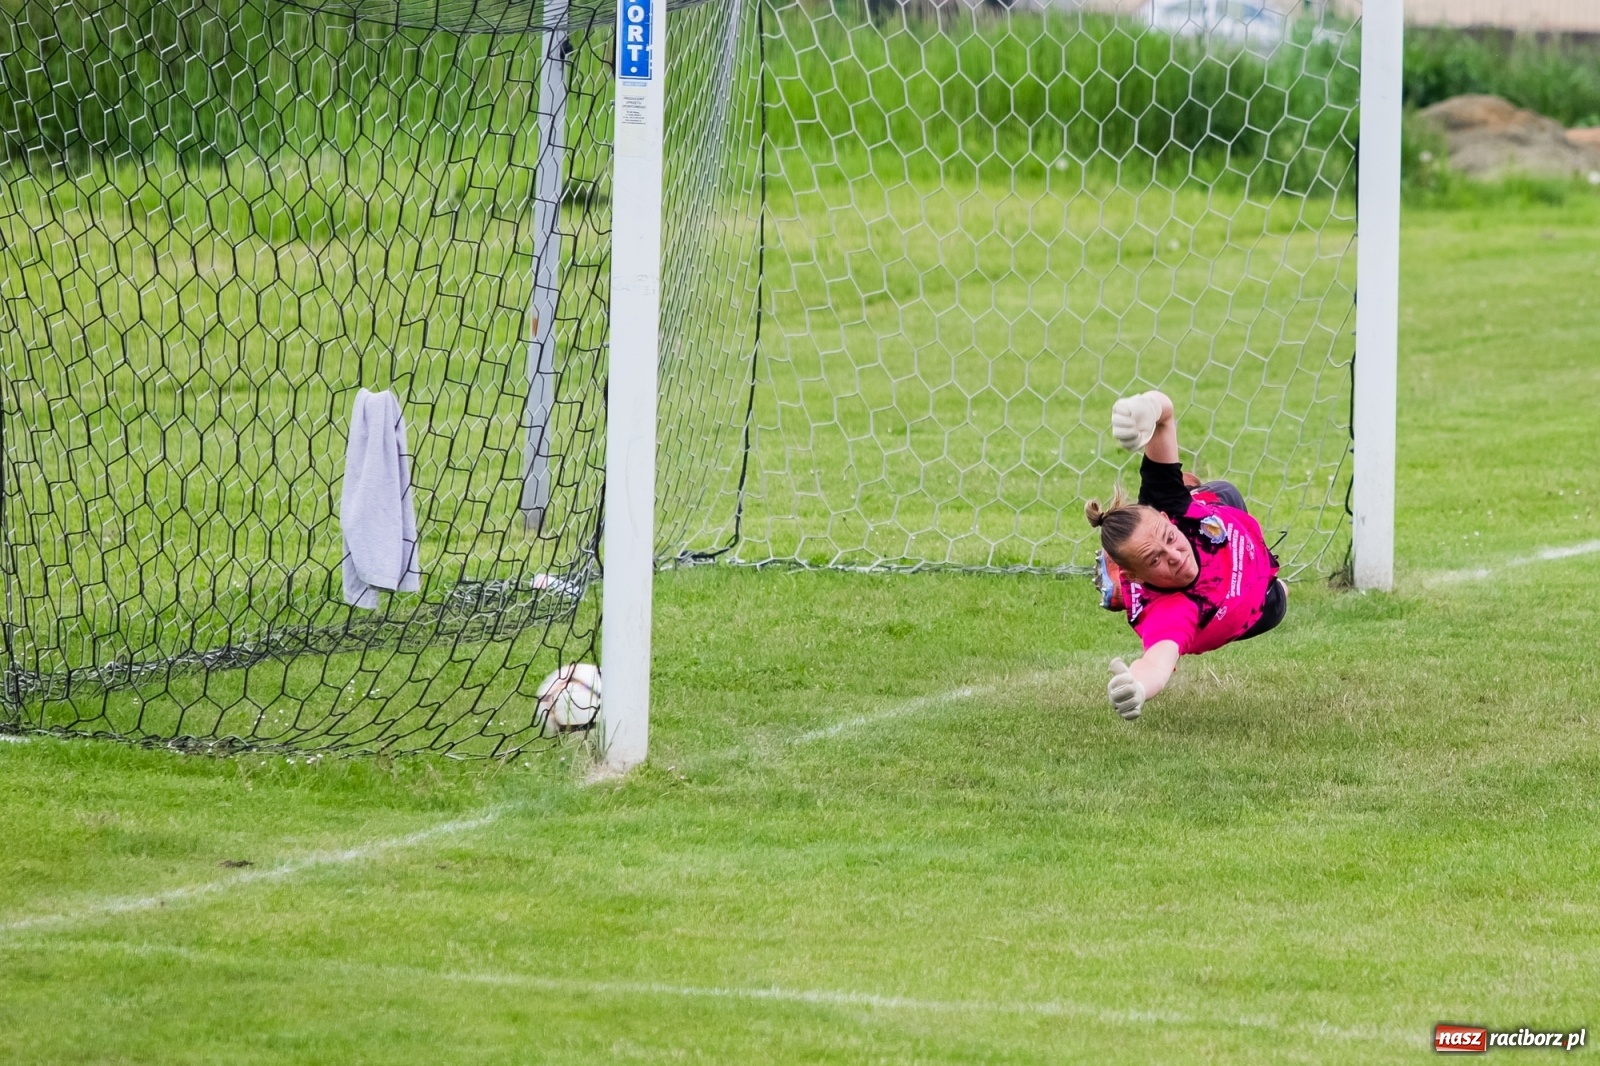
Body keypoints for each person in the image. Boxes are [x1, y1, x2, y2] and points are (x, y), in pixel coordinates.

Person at [1086, 391, 1287, 720]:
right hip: (1248, 599)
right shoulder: (1171, 613)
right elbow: (1156, 663)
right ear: (1136, 574)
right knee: (1280, 600)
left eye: (1168, 539)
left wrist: (1144, 407)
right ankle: (1125, 587)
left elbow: (1165, 416)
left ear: (1167, 519)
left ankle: (1189, 492)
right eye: (1155, 560)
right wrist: (1136, 684)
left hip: (1227, 526)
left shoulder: (1165, 505)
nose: (1175, 555)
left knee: (1224, 491)